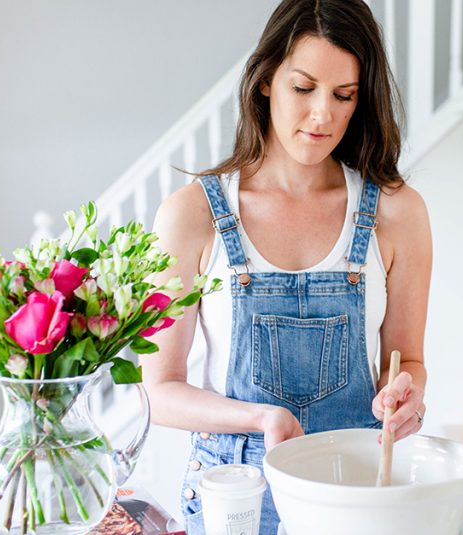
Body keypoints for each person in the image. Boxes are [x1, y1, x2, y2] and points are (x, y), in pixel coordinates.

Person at [142, 1, 431, 533]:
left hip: (355, 497)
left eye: (343, 96)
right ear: (266, 81)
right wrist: (259, 419)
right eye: (304, 88)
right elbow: (158, 392)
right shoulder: (193, 215)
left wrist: (406, 395)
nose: (323, 114)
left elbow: (408, 359)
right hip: (234, 499)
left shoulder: (397, 213)